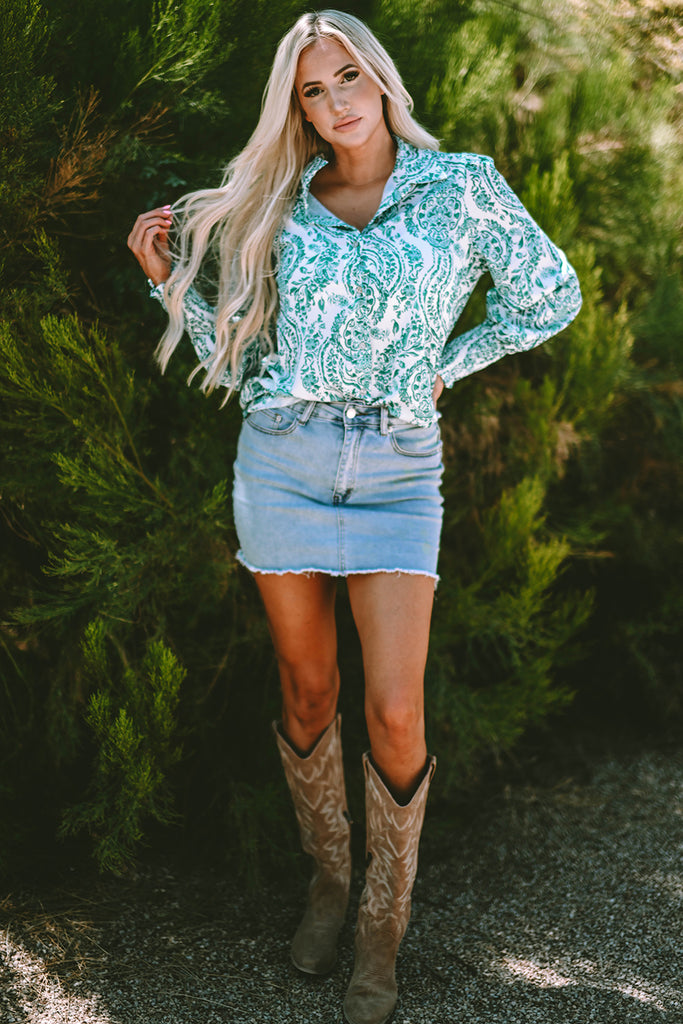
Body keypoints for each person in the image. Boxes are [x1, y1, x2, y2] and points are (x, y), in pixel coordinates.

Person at [127, 10, 581, 1023]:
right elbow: (241, 362)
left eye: (346, 78)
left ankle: (383, 925)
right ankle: (329, 883)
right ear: (296, 109)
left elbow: (550, 296)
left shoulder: (460, 185)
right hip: (282, 457)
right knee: (305, 692)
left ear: (378, 78)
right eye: (311, 90)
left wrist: (444, 366)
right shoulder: (282, 202)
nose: (335, 102)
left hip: (397, 470)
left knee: (394, 712)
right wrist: (168, 286)